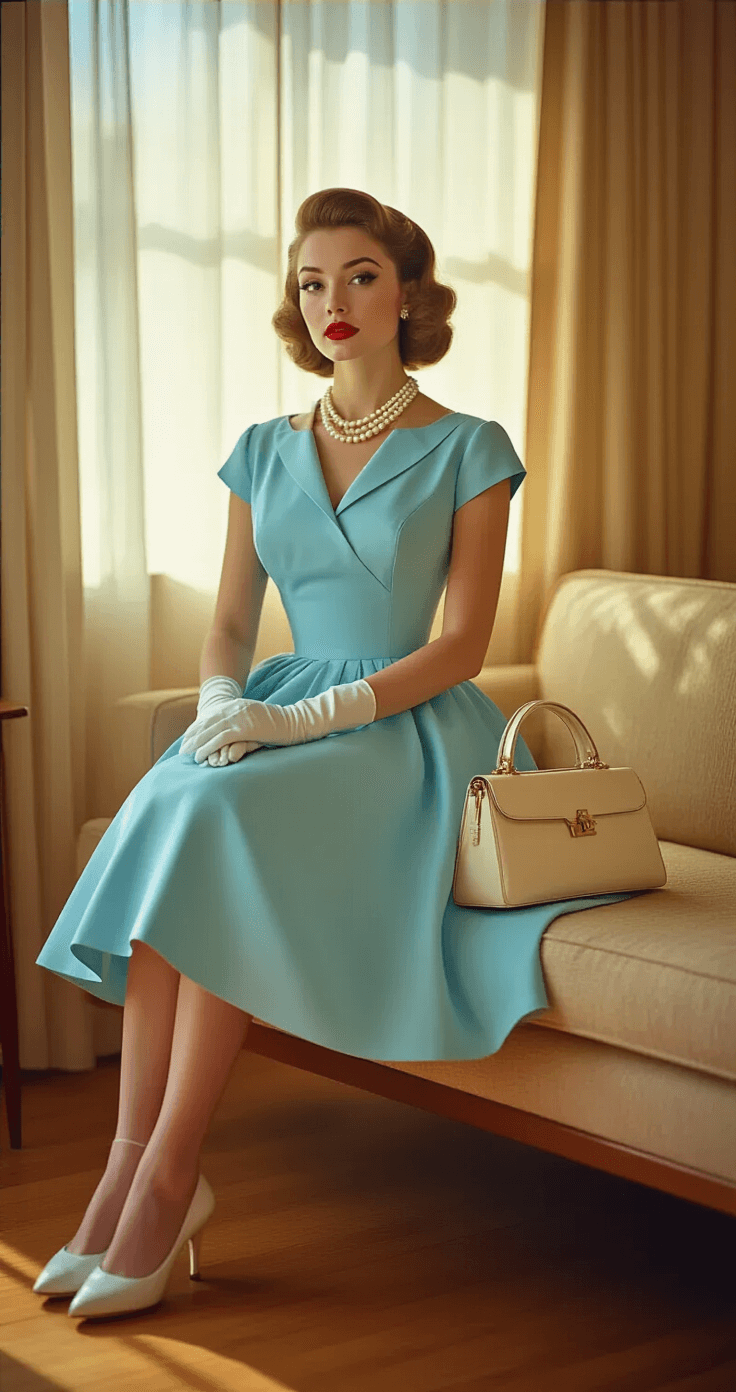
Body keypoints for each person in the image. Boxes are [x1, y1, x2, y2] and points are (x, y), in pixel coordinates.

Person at [33, 188, 635, 1319]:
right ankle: (128, 1170)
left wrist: (307, 720)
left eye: (357, 275)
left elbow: (462, 645)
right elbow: (227, 619)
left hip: (400, 727)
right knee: (172, 807)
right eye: (312, 281)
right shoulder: (263, 449)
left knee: (213, 822)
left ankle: (165, 1182)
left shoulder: (469, 446)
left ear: (408, 291)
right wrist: (227, 698)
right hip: (274, 704)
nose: (331, 302)